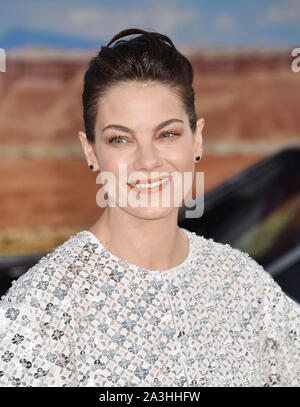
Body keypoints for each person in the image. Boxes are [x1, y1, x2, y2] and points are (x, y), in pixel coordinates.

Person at [0, 28, 299, 387]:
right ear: (91, 151)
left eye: (167, 134)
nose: (148, 161)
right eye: (120, 139)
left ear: (197, 139)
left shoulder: (247, 286)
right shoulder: (38, 310)